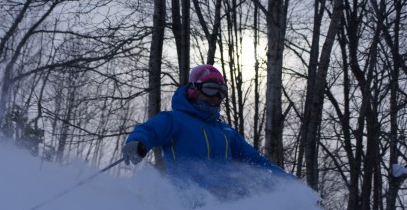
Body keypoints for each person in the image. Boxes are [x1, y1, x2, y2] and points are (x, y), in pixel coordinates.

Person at [122, 64, 293, 199]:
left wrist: (289, 183)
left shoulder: (226, 132)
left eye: (222, 92)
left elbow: (256, 162)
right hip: (188, 200)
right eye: (211, 89)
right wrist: (138, 142)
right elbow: (149, 130)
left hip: (226, 203)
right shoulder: (175, 120)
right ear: (194, 90)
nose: (217, 97)